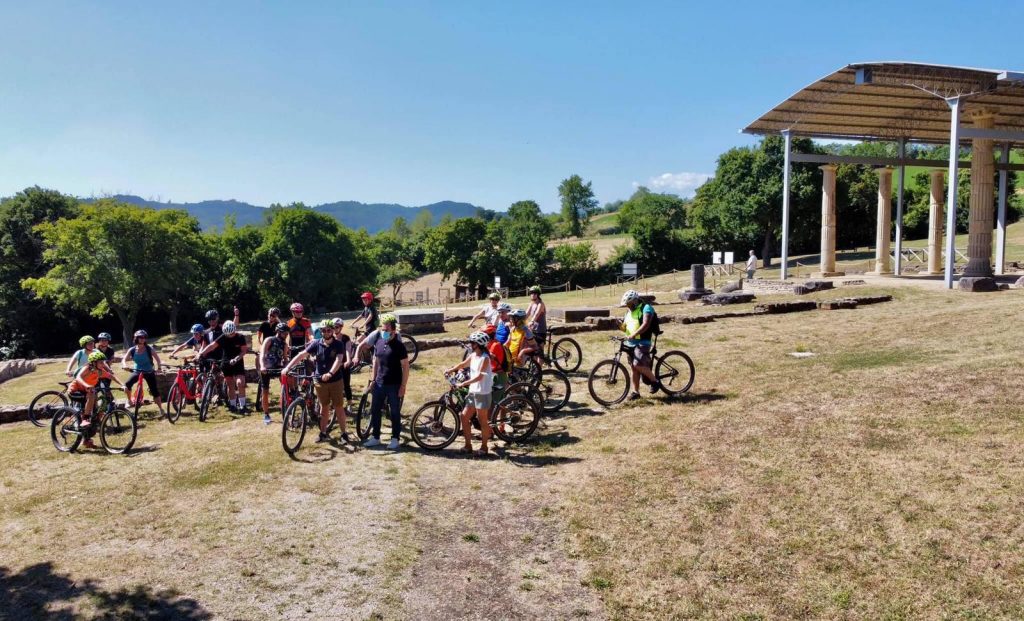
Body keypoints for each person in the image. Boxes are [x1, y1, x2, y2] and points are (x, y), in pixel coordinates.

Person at [281, 319, 351, 443]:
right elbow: (301, 355)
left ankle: (344, 434)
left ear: (332, 330)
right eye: (323, 330)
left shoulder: (338, 344)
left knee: (338, 407)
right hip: (320, 381)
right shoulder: (316, 343)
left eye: (329, 330)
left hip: (335, 381)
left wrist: (330, 373)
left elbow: (339, 360)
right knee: (324, 408)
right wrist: (288, 367)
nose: (326, 332)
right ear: (320, 331)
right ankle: (323, 433)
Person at [444, 331, 494, 457]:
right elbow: (463, 364)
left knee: (482, 420)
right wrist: (451, 369)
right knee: (464, 416)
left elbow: (479, 377)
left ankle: (484, 447)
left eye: (472, 342)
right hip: (473, 391)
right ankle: (468, 445)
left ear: (478, 344)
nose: (470, 344)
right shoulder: (473, 355)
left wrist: (463, 384)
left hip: (482, 392)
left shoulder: (485, 358)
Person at [364, 313, 408, 450]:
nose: (384, 332)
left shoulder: (399, 346)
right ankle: (376, 437)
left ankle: (395, 438)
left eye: (387, 330)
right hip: (379, 383)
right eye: (383, 329)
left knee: (394, 412)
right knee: (375, 410)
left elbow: (406, 366)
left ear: (393, 330)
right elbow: (376, 362)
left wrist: (403, 386)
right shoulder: (379, 342)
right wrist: (372, 380)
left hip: (394, 384)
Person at [69, 350, 124, 449]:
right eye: (101, 362)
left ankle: (86, 439)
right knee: (92, 395)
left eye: (103, 362)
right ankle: (84, 418)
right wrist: (87, 385)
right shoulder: (87, 368)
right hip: (75, 391)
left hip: (87, 391)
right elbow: (78, 377)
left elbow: (111, 376)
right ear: (93, 363)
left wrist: (122, 385)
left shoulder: (99, 371)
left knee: (95, 414)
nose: (103, 364)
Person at [619, 289, 663, 401]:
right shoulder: (628, 312)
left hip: (643, 342)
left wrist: (634, 334)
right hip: (631, 342)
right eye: (627, 304)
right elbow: (625, 328)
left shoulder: (646, 308)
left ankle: (655, 381)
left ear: (635, 301)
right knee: (634, 368)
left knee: (638, 364)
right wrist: (620, 326)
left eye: (629, 303)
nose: (628, 306)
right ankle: (636, 392)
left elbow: (646, 324)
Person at [199, 320, 249, 414]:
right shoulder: (222, 337)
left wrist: (236, 358)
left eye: (232, 333)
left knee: (240, 383)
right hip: (226, 362)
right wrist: (201, 354)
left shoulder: (240, 337)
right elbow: (211, 346)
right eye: (228, 334)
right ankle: (233, 405)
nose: (230, 335)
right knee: (230, 385)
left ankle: (243, 405)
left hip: (237, 362)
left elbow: (243, 351)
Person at [121, 330, 165, 416]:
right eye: (140, 337)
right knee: (127, 384)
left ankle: (161, 409)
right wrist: (124, 365)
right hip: (137, 371)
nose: (142, 339)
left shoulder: (149, 349)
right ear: (136, 338)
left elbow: (158, 359)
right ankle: (129, 401)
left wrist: (159, 368)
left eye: (144, 337)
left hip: (149, 371)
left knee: (154, 390)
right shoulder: (132, 349)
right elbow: (124, 359)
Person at [258, 322, 289, 424]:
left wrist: (287, 367)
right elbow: (262, 354)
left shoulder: (284, 345)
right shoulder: (269, 340)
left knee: (286, 383)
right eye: (284, 333)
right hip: (266, 368)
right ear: (278, 332)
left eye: (287, 333)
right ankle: (266, 414)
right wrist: (262, 366)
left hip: (277, 367)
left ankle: (286, 401)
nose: (286, 335)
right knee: (265, 391)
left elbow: (284, 358)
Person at [481, 324, 509, 402]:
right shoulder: (489, 344)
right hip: (493, 375)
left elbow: (486, 359)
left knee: (494, 403)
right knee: (500, 401)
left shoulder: (495, 345)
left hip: (498, 377)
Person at [333, 317, 356, 411]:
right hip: (333, 365)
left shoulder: (345, 338)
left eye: (337, 327)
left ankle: (350, 403)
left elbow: (347, 350)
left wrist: (348, 360)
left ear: (341, 327)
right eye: (333, 327)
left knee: (346, 385)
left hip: (343, 364)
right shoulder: (329, 337)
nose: (334, 329)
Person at [526, 285, 547, 351]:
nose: (532, 295)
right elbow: (526, 314)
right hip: (533, 329)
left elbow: (536, 314)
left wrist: (532, 321)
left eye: (534, 293)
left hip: (540, 329)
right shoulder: (531, 304)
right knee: (534, 349)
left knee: (540, 350)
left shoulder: (540, 304)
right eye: (531, 293)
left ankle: (541, 361)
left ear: (538, 295)